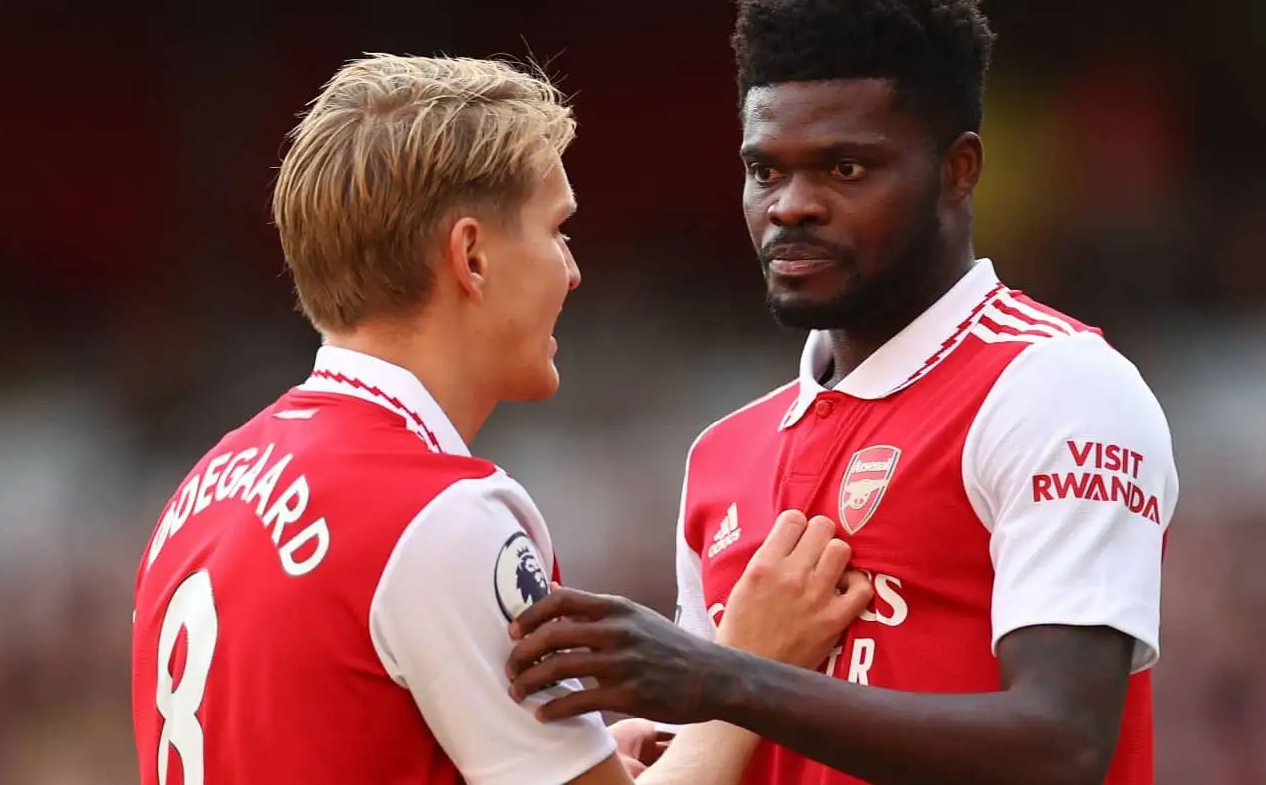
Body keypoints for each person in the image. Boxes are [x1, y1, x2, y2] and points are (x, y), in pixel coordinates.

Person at [505, 0, 1180, 785]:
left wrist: (722, 676)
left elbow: (1061, 746)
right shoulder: (722, 457)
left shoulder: (1056, 388)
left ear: (957, 171)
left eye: (845, 167)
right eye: (765, 170)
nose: (792, 205)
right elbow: (758, 736)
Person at [129, 54, 871, 785]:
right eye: (557, 231)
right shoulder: (441, 517)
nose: (573, 271)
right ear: (472, 257)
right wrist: (747, 673)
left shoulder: (201, 491)